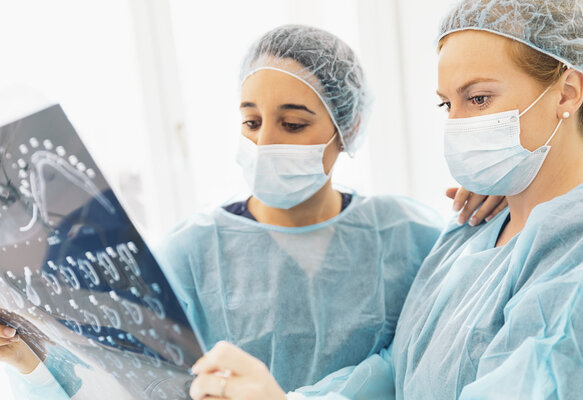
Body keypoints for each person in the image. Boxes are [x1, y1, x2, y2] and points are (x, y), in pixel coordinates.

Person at [0, 25, 503, 398]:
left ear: (346, 128)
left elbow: (433, 361)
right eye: (252, 121)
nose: (265, 142)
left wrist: (503, 199)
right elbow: (129, 383)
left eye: (292, 123)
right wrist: (29, 358)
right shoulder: (191, 253)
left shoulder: (409, 235)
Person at [186, 1, 583, 399]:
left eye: (478, 99)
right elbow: (396, 372)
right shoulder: (469, 234)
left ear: (566, 93)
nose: (455, 124)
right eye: (446, 104)